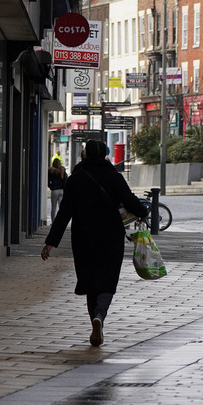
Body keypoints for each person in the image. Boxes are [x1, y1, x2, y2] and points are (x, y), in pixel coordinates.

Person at [40, 140, 148, 347]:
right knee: (107, 279)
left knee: (90, 281)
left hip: (83, 237)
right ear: (105, 155)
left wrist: (50, 243)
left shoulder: (76, 178)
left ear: (85, 155)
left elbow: (64, 214)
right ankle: (100, 316)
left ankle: (94, 322)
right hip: (110, 237)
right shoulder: (114, 177)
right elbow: (130, 200)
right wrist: (143, 213)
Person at [48, 158, 67, 224]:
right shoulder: (62, 170)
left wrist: (51, 187)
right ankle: (61, 221)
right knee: (61, 207)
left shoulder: (50, 171)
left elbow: (48, 181)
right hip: (61, 190)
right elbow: (65, 180)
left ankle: (53, 222)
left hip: (54, 191)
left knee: (53, 207)